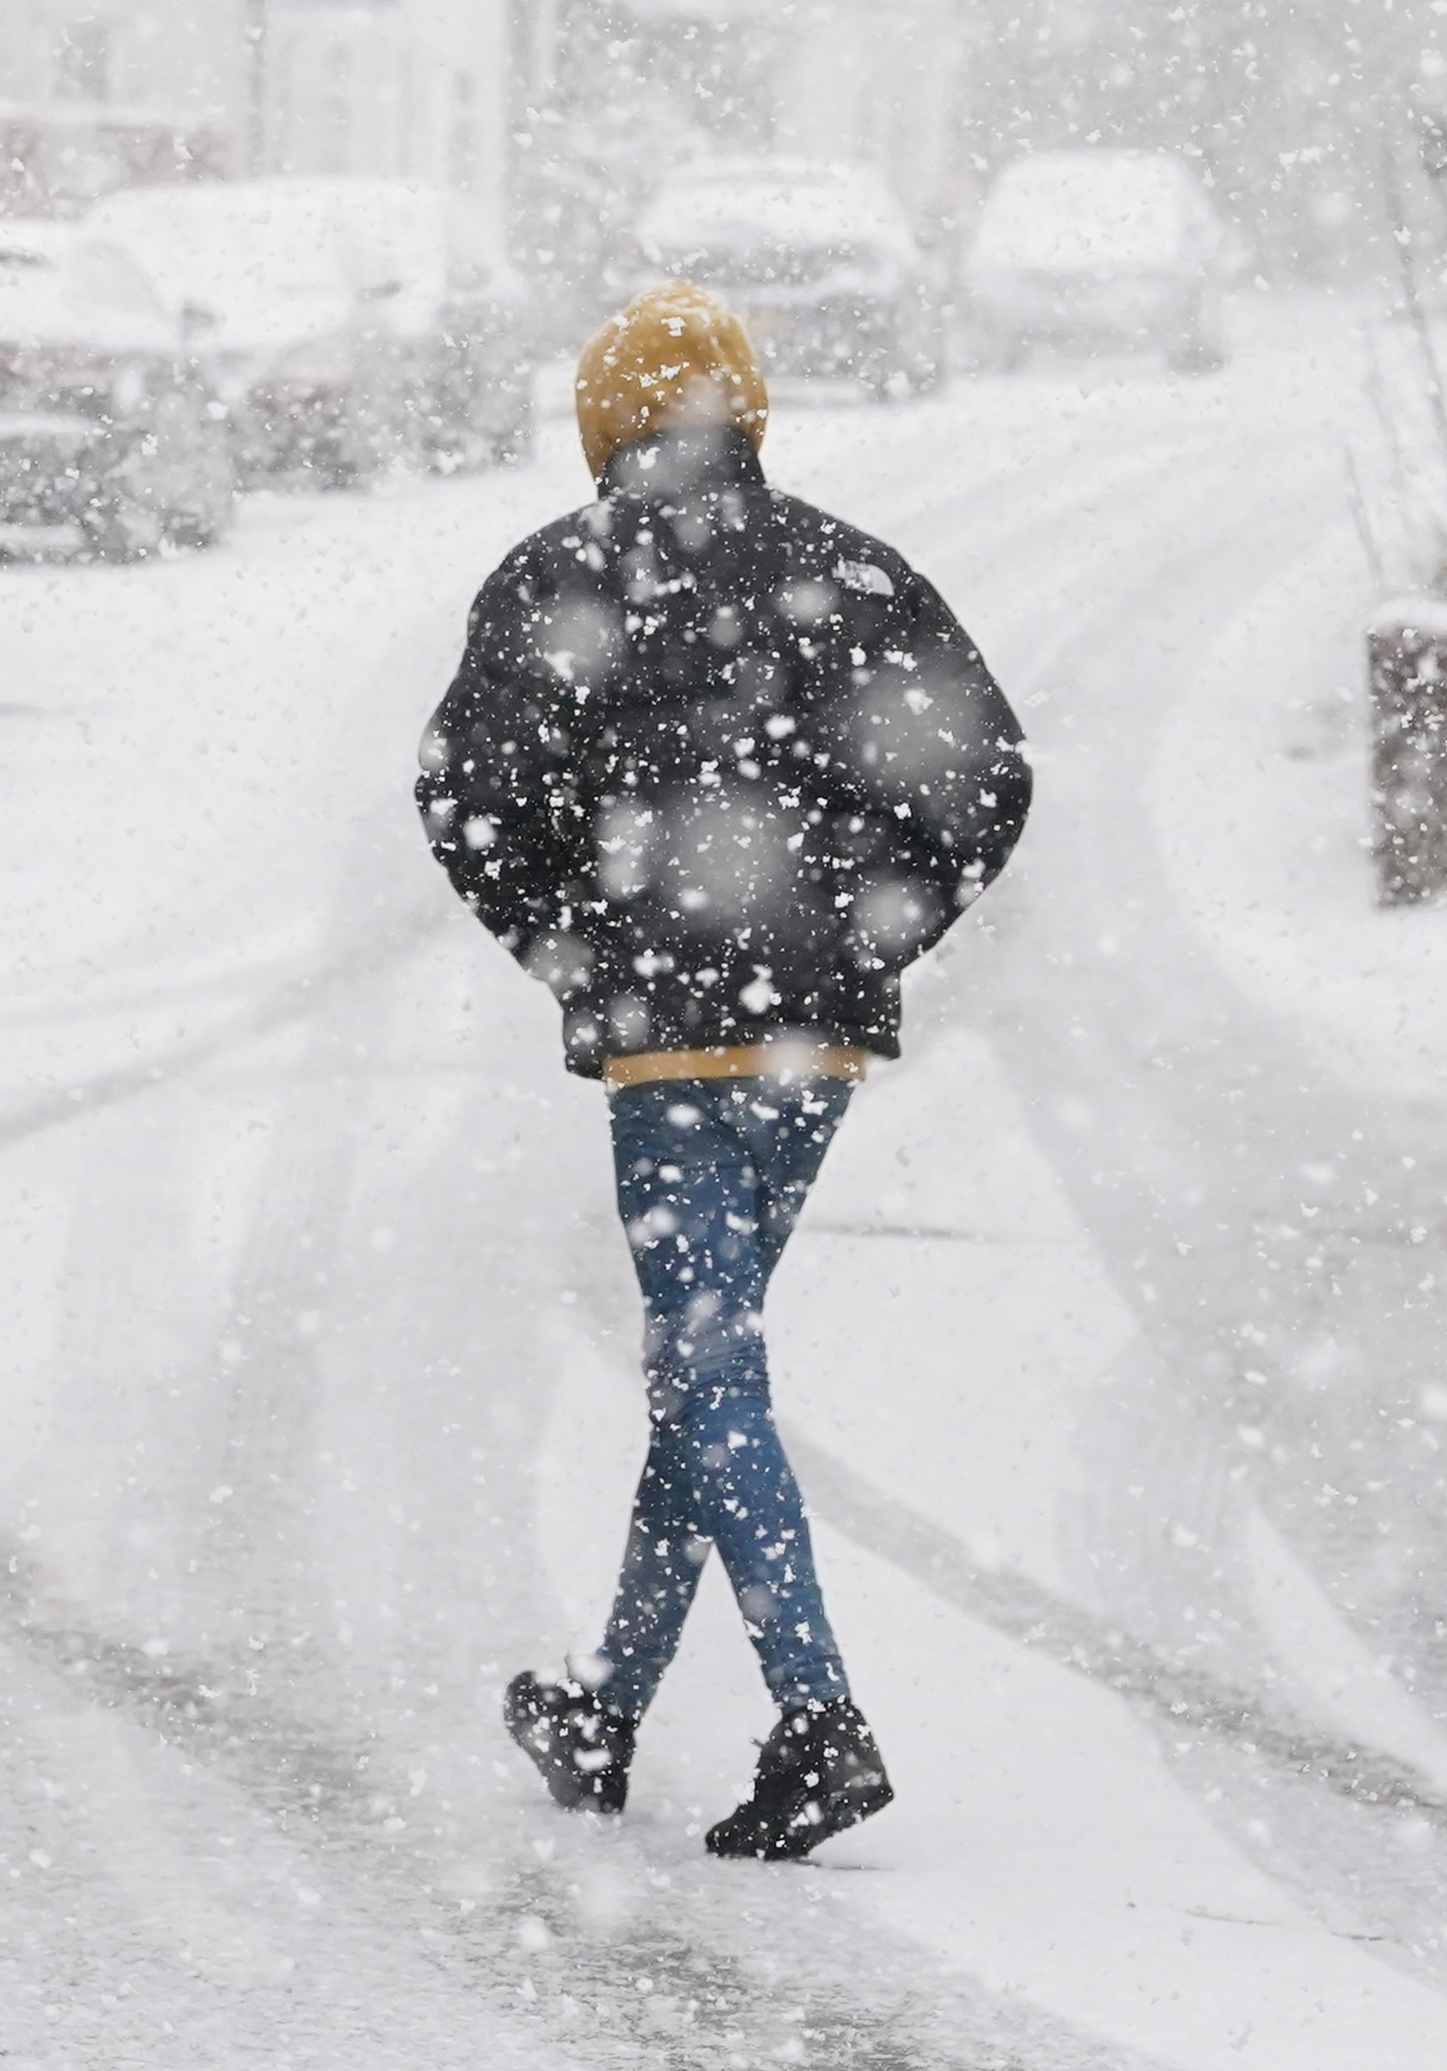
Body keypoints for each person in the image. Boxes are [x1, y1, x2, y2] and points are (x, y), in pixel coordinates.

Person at [412, 282, 1034, 1862]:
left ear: (602, 425)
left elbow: (466, 796)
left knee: (706, 1373)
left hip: (672, 1043)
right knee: (713, 1372)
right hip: (810, 1037)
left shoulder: (563, 577)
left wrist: (576, 942)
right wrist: (877, 933)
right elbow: (989, 770)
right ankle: (606, 1705)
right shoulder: (852, 573)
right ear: (744, 412)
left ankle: (818, 1716)